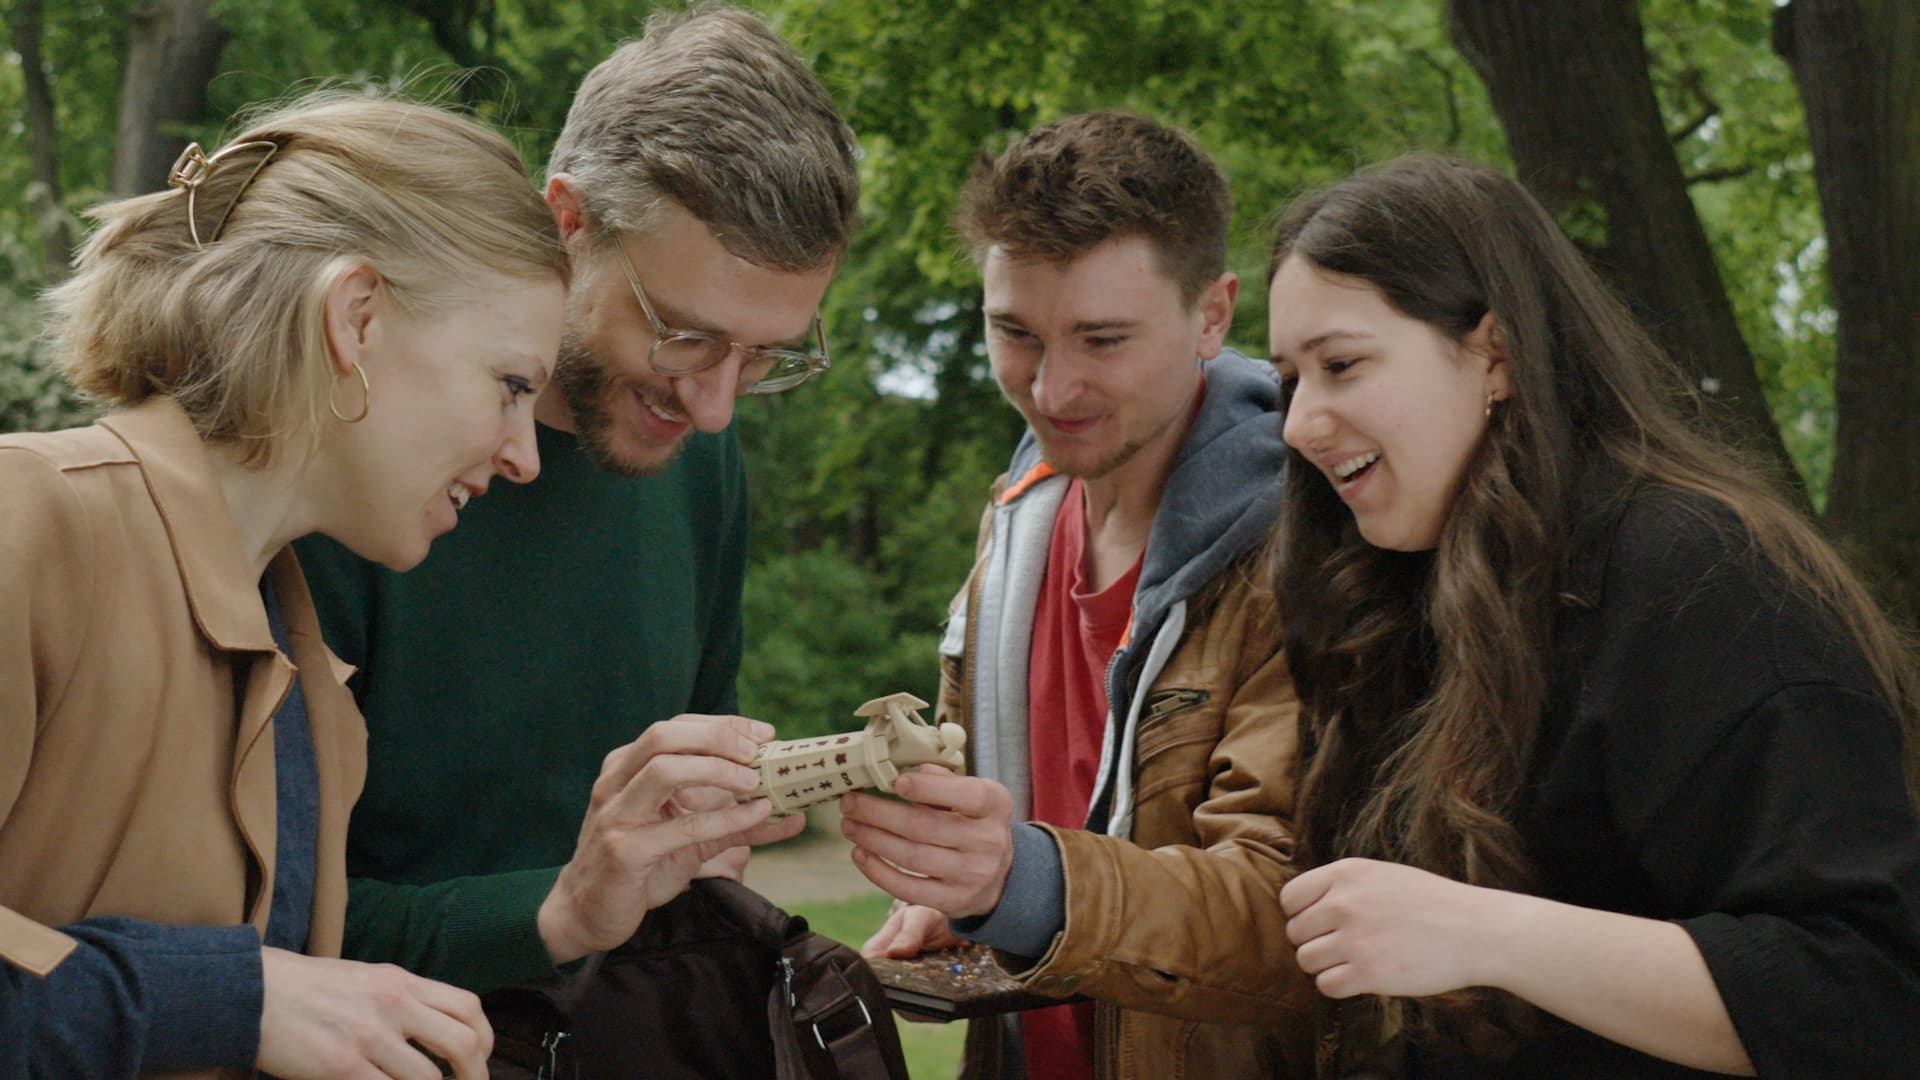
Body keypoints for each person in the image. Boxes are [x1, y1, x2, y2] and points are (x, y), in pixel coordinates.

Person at [1264, 153, 1920, 1077]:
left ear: (1494, 353)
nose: (1298, 422)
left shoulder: (1701, 577)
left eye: (1341, 364)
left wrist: (1487, 933)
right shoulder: (1408, 594)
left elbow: (1867, 991)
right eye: (1290, 378)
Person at [293, 4, 861, 1005]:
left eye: (767, 355)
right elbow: (246, 927)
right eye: (683, 334)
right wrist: (552, 911)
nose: (718, 408)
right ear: (567, 220)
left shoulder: (696, 454)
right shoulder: (348, 459)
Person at [0, 94, 572, 1077]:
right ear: (355, 319)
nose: (524, 455)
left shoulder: (309, 673)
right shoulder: (29, 517)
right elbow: (243, 1010)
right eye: (511, 386)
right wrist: (234, 997)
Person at [843, 111, 1314, 1078]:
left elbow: (1287, 915)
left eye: (1102, 339)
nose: (1052, 390)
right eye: (1014, 333)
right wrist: (956, 885)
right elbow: (1002, 802)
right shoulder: (1018, 511)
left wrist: (1025, 883)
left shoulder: (1309, 551)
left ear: (1215, 314)